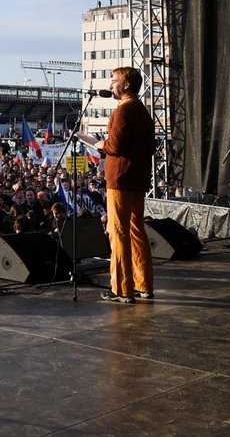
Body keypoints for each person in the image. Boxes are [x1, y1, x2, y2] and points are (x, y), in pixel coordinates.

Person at [95, 66, 156, 304]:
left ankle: (121, 288)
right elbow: (149, 147)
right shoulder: (143, 111)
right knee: (136, 230)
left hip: (120, 179)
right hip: (137, 179)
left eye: (113, 80)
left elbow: (116, 146)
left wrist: (101, 145)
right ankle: (144, 285)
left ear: (126, 84)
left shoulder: (124, 111)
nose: (110, 85)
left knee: (117, 232)